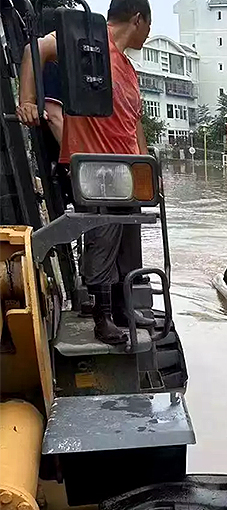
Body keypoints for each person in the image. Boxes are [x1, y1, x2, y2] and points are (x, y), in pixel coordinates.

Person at [17, 0, 152, 345]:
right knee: (102, 238)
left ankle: (122, 308)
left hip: (127, 171)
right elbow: (36, 50)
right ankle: (103, 318)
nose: (148, 34)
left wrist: (148, 166)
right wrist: (28, 99)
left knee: (127, 240)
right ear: (138, 19)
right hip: (98, 170)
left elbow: (134, 123)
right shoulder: (87, 43)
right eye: (149, 26)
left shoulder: (128, 67)